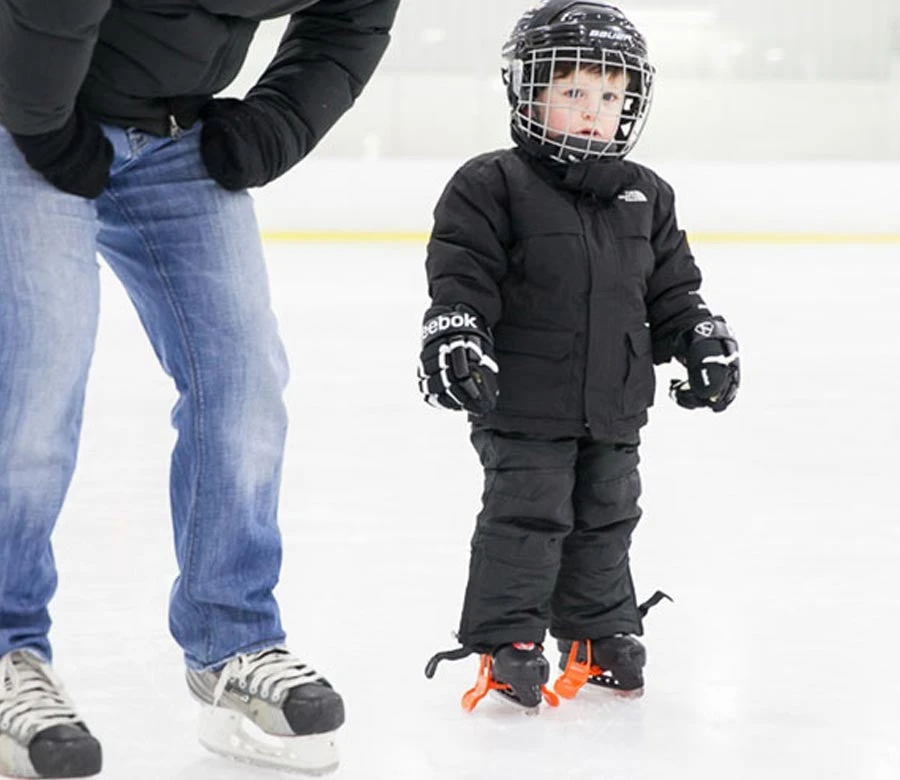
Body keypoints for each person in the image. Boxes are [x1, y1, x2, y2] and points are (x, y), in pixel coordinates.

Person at [0, 0, 399, 775]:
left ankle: (232, 642)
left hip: (171, 127)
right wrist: (43, 124)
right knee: (37, 384)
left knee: (245, 381)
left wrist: (279, 123)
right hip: (23, 100)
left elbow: (352, 19)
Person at [418, 0, 740, 711]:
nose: (594, 111)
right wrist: (456, 332)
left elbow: (672, 291)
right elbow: (461, 276)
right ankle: (508, 639)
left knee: (607, 517)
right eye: (573, 92)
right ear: (529, 93)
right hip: (523, 402)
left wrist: (700, 338)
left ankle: (596, 633)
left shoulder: (646, 194)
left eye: (610, 96)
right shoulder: (492, 184)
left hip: (616, 403)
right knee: (527, 516)